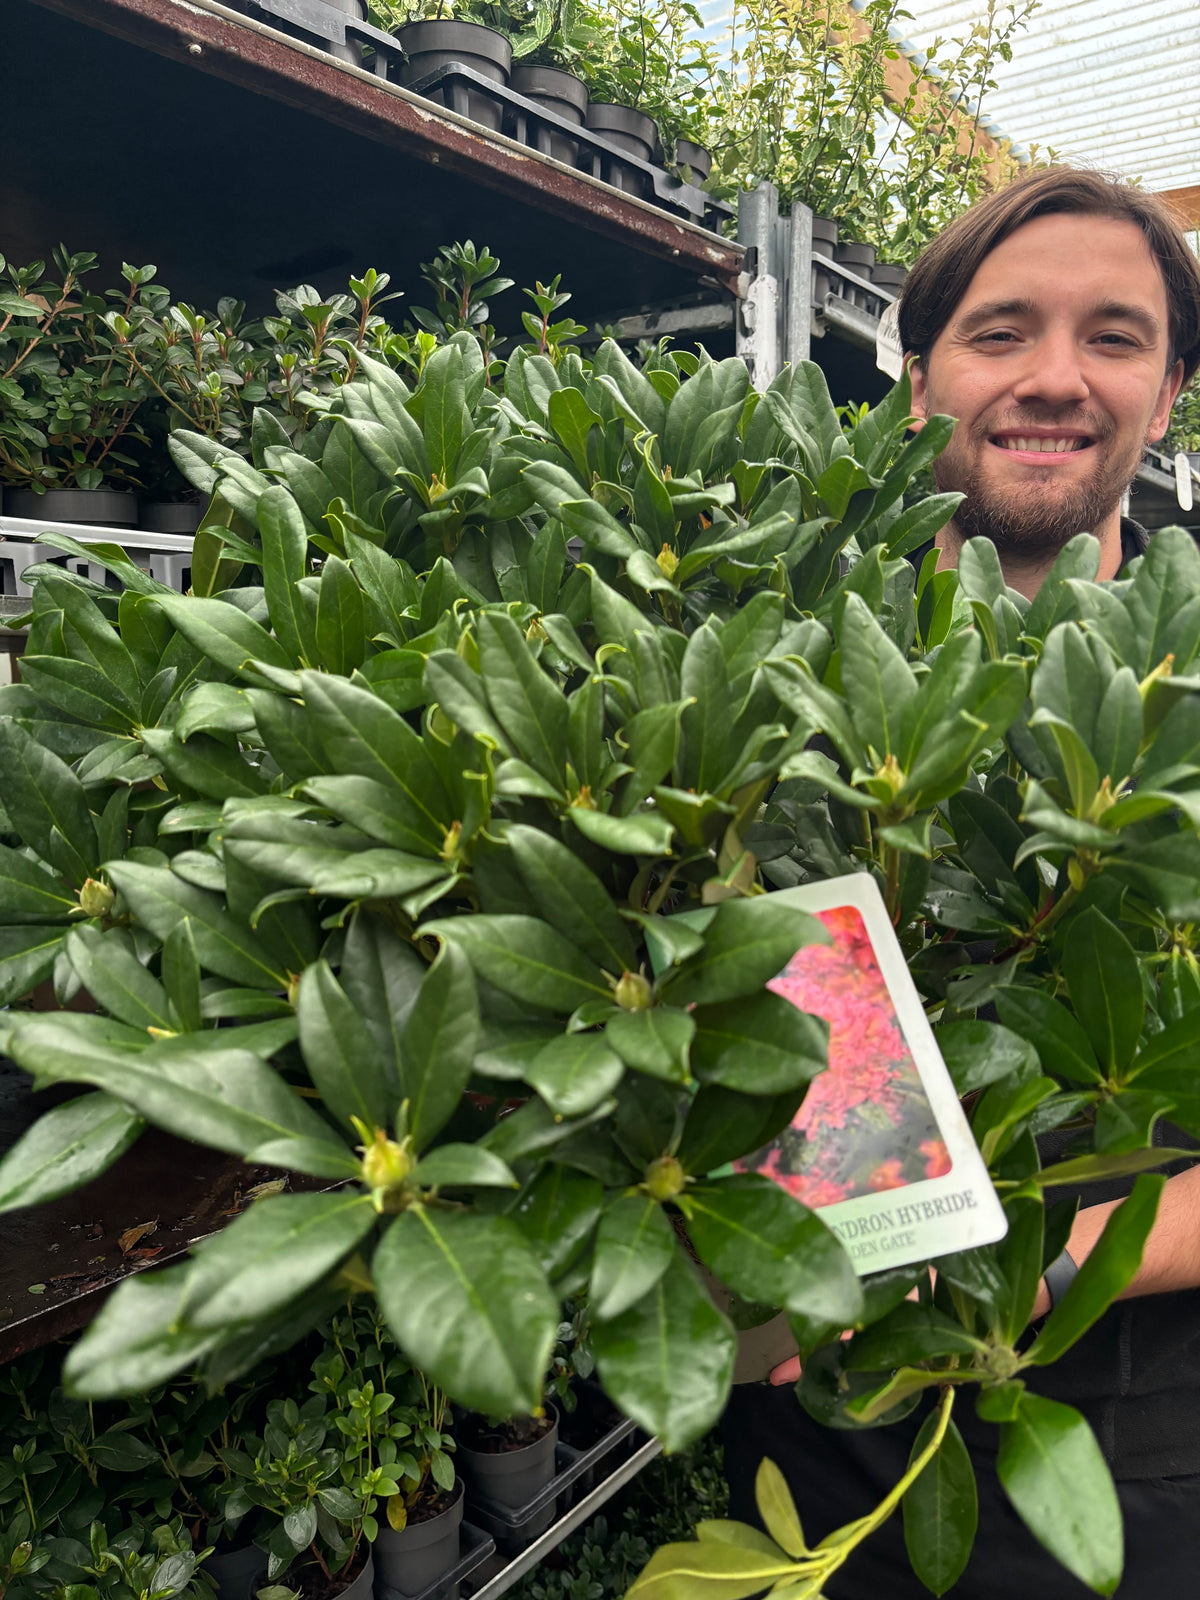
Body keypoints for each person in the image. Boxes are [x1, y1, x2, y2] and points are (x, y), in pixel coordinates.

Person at [720, 167, 1200, 1598]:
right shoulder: (757, 675)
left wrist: (1013, 1274)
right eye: (1001, 332)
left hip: (1133, 1455)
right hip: (811, 1446)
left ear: (1169, 393)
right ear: (915, 371)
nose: (1055, 378)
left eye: (1114, 336)